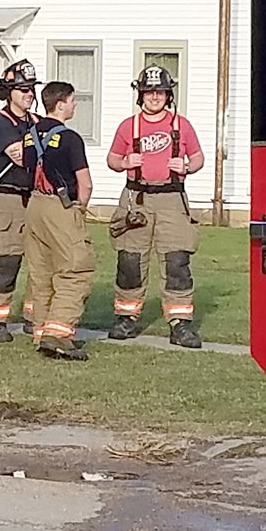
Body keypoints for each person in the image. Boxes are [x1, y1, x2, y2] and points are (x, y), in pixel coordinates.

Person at [105, 64, 205, 348]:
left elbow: (198, 158)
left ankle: (180, 323)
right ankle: (126, 318)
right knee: (130, 260)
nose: (154, 97)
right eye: (149, 92)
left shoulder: (181, 125)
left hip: (173, 199)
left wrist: (186, 166)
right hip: (136, 199)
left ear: (168, 94)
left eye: (160, 92)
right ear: (141, 96)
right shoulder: (128, 126)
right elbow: (112, 159)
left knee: (176, 260)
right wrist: (125, 163)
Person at [23, 81, 94, 362]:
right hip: (60, 206)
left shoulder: (29, 135)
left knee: (42, 274)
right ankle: (60, 333)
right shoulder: (70, 138)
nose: (75, 105)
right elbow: (85, 183)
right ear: (61, 104)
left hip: (34, 206)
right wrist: (80, 210)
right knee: (76, 270)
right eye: (73, 100)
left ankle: (42, 332)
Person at [0, 59, 39, 342]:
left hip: (35, 199)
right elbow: (22, 157)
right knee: (7, 262)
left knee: (40, 261)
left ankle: (34, 316)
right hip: (5, 199)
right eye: (23, 89)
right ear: (9, 91)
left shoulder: (37, 122)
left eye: (31, 89)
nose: (29, 94)